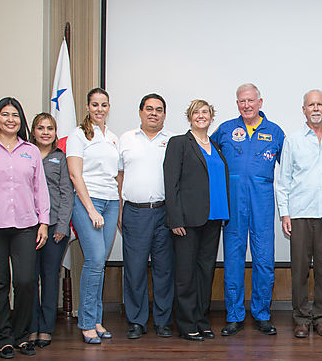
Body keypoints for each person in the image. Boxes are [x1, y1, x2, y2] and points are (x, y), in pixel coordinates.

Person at [0, 97, 50, 358]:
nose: (10, 119)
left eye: (15, 115)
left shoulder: (31, 150)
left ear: (21, 120)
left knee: (26, 282)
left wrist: (44, 222)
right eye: (5, 114)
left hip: (26, 224)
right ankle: (3, 338)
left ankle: (22, 336)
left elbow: (41, 189)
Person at [210, 83, 285, 336]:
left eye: (251, 100)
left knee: (264, 260)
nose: (247, 105)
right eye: (242, 101)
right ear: (237, 104)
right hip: (233, 206)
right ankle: (234, 315)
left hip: (262, 204)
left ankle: (262, 314)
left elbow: (289, 170)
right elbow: (206, 157)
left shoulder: (275, 132)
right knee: (233, 261)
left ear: (260, 102)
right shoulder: (225, 130)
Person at [276, 89, 322, 339]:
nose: (315, 108)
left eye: (320, 104)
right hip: (300, 214)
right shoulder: (292, 140)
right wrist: (285, 214)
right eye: (310, 105)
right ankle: (302, 318)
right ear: (303, 109)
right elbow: (283, 182)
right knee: (300, 270)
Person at [164, 99, 230, 341]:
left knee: (205, 272)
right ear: (189, 117)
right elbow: (171, 184)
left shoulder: (215, 146)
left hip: (214, 218)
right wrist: (175, 219)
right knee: (185, 273)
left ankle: (201, 319)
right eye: (196, 112)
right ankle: (186, 323)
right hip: (187, 221)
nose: (201, 116)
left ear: (212, 117)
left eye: (205, 112)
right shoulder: (179, 143)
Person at [117, 93, 174, 339]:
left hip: (164, 213)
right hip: (135, 213)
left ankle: (162, 321)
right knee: (135, 269)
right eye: (149, 109)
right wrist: (119, 211)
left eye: (159, 109)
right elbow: (118, 176)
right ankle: (137, 321)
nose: (154, 113)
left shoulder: (172, 141)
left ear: (164, 114)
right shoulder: (126, 139)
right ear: (140, 112)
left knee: (164, 270)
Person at [66, 87, 120, 344]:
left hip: (111, 202)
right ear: (87, 107)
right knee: (95, 259)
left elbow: (117, 176)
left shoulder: (112, 137)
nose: (100, 109)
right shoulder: (78, 135)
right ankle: (86, 323)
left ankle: (97, 319)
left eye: (104, 104)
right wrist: (90, 209)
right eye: (95, 104)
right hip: (88, 201)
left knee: (100, 263)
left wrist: (117, 208)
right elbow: (76, 175)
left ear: (109, 108)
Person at [28, 113, 73, 348]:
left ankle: (45, 327)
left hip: (55, 226)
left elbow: (67, 194)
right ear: (33, 131)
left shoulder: (60, 158)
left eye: (50, 128)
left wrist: (63, 226)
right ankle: (31, 325)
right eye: (40, 128)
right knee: (28, 278)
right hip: (27, 226)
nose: (45, 132)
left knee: (49, 276)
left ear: (55, 133)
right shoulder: (25, 154)